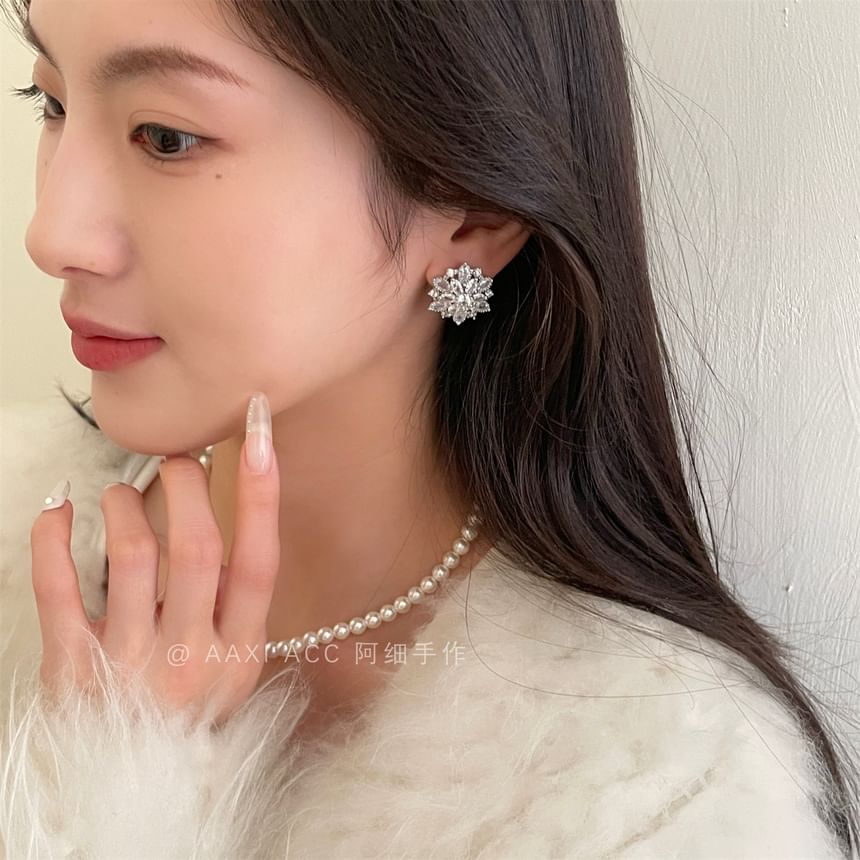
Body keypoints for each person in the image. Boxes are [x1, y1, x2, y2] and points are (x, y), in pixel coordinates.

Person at [0, 0, 857, 857]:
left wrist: (113, 795)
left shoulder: (654, 799)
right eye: (53, 102)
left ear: (469, 215)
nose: (51, 234)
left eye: (166, 137)